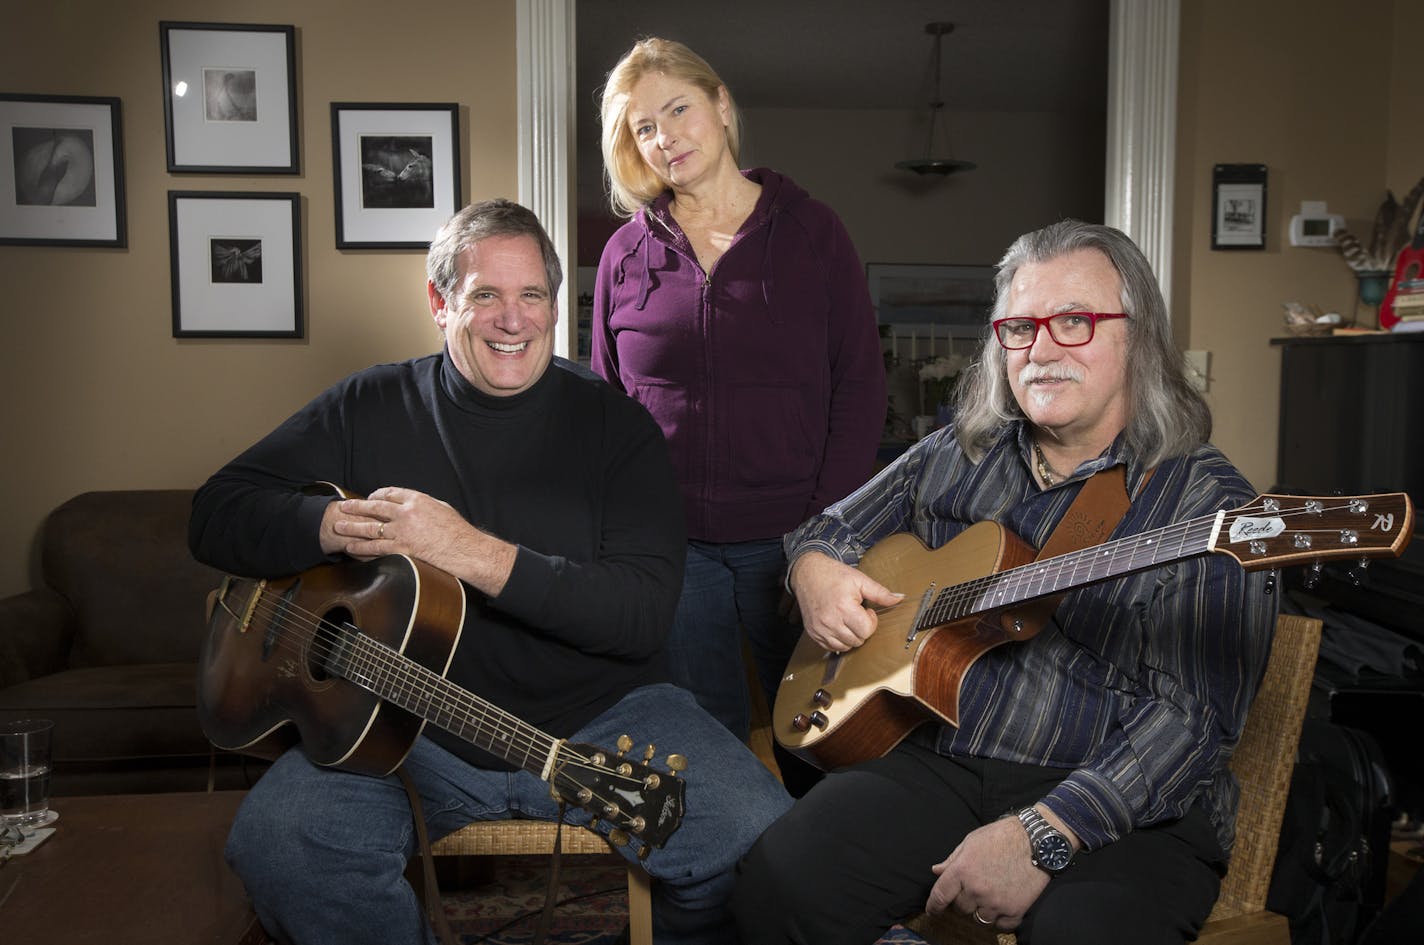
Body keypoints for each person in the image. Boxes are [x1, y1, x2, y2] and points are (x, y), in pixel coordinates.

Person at [189, 198, 791, 945]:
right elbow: (214, 512)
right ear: (440, 303)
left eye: (532, 295)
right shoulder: (367, 403)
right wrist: (323, 524)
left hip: (606, 721)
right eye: (486, 295)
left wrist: (463, 547)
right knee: (281, 842)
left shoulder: (619, 429)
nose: (514, 319)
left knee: (762, 840)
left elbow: (639, 615)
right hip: (411, 730)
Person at [731, 220, 1280, 945]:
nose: (1043, 350)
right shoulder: (959, 452)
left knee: (1085, 933)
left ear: (1138, 335)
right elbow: (823, 530)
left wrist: (1043, 833)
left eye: (1075, 321)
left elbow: (1190, 722)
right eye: (1020, 327)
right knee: (780, 881)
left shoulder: (1209, 505)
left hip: (1126, 796)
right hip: (945, 760)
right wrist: (815, 572)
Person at [591, 38, 886, 772]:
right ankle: (720, 888)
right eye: (642, 128)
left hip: (797, 547)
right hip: (675, 550)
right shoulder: (624, 256)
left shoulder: (814, 235)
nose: (664, 138)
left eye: (677, 109)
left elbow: (860, 390)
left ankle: (817, 886)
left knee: (822, 748)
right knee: (705, 756)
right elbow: (606, 415)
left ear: (721, 106)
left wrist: (825, 534)